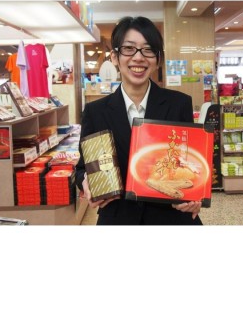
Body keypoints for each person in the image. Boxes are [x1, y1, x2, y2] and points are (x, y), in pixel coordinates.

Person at [75, 16, 202, 225]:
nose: (138, 57)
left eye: (148, 50)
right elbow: (81, 168)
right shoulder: (95, 112)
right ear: (114, 57)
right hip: (118, 218)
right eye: (129, 49)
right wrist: (86, 182)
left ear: (158, 59)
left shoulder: (179, 104)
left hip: (170, 217)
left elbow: (189, 161)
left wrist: (195, 196)